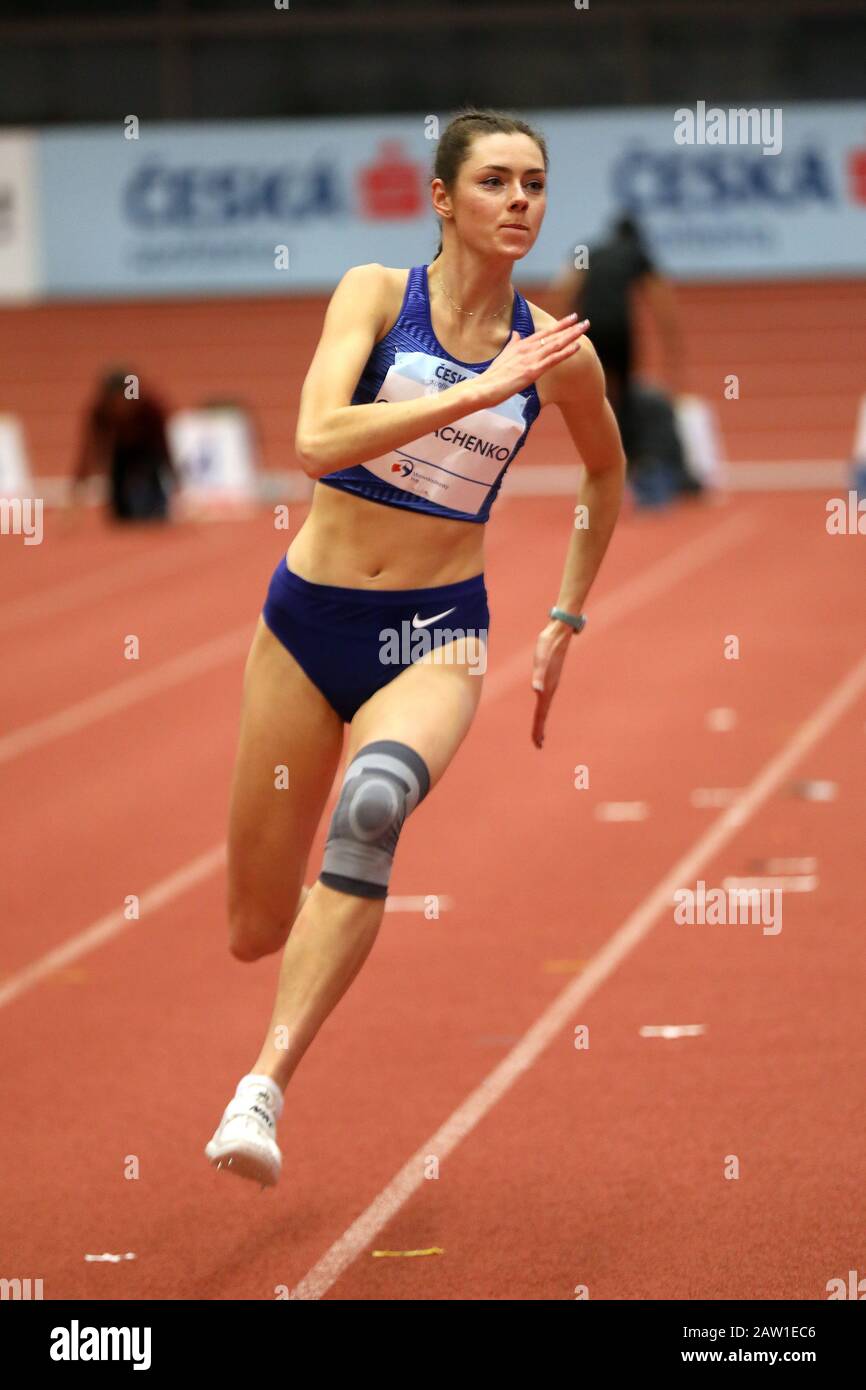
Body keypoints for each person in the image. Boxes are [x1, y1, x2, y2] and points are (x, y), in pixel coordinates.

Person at [204, 107, 626, 1188]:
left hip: (433, 638)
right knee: (255, 924)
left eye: (533, 182)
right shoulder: (371, 297)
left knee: (372, 804)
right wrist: (479, 391)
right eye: (492, 181)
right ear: (440, 198)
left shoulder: (554, 354)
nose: (518, 201)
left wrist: (565, 614)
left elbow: (603, 474)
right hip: (305, 623)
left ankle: (262, 1088)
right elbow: (310, 441)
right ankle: (313, 942)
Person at [550, 214, 685, 463]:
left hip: (590, 328)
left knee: (595, 387)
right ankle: (627, 452)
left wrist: (555, 327)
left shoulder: (591, 251)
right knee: (624, 390)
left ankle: (594, 446)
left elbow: (566, 286)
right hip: (619, 328)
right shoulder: (636, 253)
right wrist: (670, 337)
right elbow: (659, 295)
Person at [71, 369, 177, 522]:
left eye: (123, 399)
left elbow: (164, 445)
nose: (120, 406)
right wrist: (76, 491)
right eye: (114, 400)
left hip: (149, 451)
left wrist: (174, 476)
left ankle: (157, 502)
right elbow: (89, 451)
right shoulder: (101, 412)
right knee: (123, 515)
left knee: (151, 505)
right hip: (121, 453)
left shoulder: (149, 408)